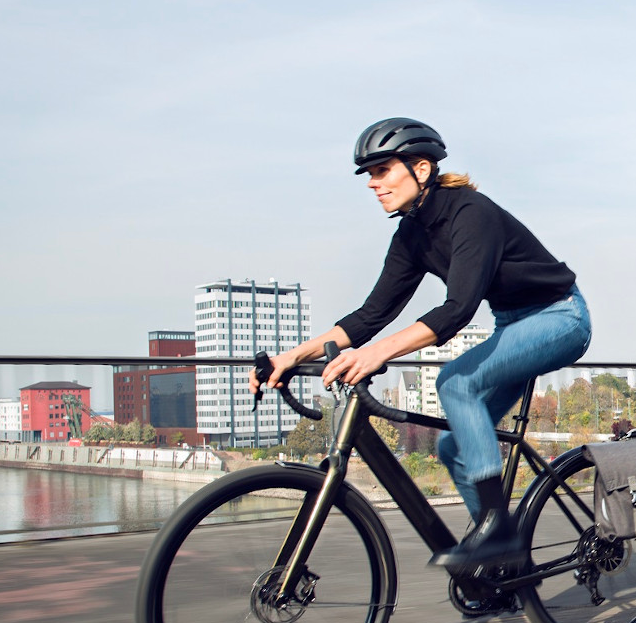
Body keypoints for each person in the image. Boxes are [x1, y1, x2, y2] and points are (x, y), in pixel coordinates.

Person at [253, 117, 591, 571]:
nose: (373, 184)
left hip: (560, 317)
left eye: (382, 171)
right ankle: (506, 568)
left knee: (455, 383)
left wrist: (377, 353)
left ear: (422, 168)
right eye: (369, 175)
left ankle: (497, 530)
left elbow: (458, 309)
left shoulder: (471, 213)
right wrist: (291, 357)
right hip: (511, 326)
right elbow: (370, 315)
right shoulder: (411, 236)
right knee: (453, 449)